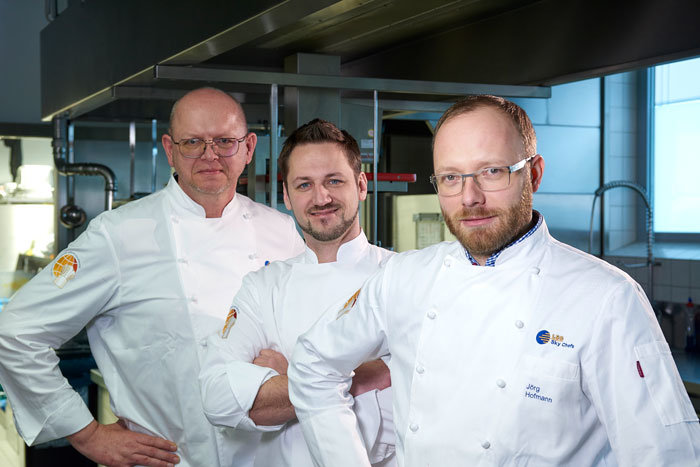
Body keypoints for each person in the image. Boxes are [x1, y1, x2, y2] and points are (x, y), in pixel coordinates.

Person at [287, 95, 700, 466]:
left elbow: (665, 456)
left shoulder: (606, 297)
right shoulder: (403, 278)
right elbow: (312, 366)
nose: (470, 197)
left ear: (534, 174)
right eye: (450, 177)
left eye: (491, 171)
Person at [0, 87, 305, 467]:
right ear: (170, 148)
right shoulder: (119, 234)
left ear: (248, 148)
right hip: (173, 460)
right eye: (193, 141)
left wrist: (293, 370)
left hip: (273, 457)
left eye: (225, 141)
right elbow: (16, 331)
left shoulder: (283, 232)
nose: (210, 155)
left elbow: (318, 336)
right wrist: (87, 434)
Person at [199, 118, 396, 466]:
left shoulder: (402, 276)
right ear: (287, 197)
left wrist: (285, 379)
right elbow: (217, 397)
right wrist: (362, 374)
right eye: (304, 185)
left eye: (334, 181)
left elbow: (429, 385)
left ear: (362, 185)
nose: (321, 198)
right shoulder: (263, 287)